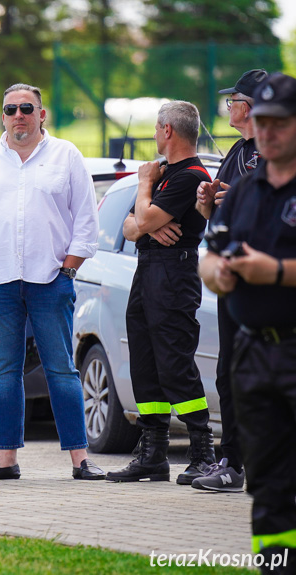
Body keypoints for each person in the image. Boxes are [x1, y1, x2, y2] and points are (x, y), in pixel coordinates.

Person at [0, 84, 104, 481]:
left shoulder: (66, 156)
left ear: (41, 115)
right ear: (2, 116)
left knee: (62, 369)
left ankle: (80, 459)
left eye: (26, 108)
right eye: (10, 109)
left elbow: (87, 222)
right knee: (4, 372)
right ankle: (6, 461)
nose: (18, 115)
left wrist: (67, 271)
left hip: (50, 280)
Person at [199, 72, 296, 573]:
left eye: (279, 122)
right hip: (254, 354)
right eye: (262, 121)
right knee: (268, 480)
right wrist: (216, 272)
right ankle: (277, 565)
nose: (268, 131)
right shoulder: (245, 187)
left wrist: (275, 272)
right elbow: (212, 251)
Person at [106, 101, 214, 485]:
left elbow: (143, 219)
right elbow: (129, 226)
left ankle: (203, 451)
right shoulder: (166, 173)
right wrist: (146, 223)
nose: (153, 135)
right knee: (145, 361)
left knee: (174, 361)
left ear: (168, 130)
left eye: (155, 129)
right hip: (148, 269)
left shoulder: (189, 175)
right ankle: (153, 454)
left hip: (173, 273)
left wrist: (144, 189)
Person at [191, 69, 267, 492]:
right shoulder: (239, 149)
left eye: (233, 99)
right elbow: (218, 218)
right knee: (229, 372)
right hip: (232, 283)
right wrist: (207, 204)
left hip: (269, 283)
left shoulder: (277, 157)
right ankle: (231, 460)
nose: (229, 107)